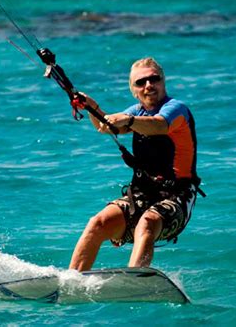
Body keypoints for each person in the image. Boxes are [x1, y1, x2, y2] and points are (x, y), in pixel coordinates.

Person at [69, 57, 200, 272]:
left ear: (163, 81)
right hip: (142, 194)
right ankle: (71, 280)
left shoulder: (176, 109)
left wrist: (127, 120)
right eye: (141, 82)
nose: (148, 85)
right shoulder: (136, 111)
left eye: (153, 79)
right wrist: (92, 106)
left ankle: (134, 279)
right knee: (97, 223)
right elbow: (107, 127)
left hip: (177, 196)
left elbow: (159, 126)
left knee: (147, 222)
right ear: (134, 90)